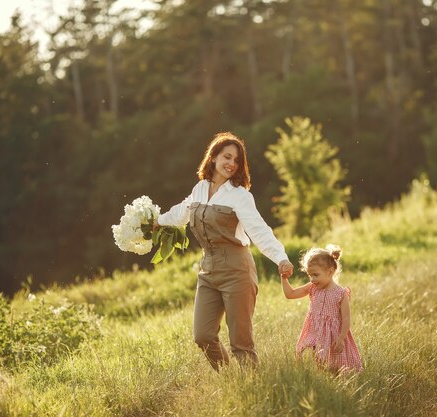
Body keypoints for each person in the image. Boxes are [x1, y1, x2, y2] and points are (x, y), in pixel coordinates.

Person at [155, 132, 294, 370]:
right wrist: (156, 220)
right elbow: (181, 213)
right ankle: (229, 380)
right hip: (208, 270)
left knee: (241, 343)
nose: (231, 163)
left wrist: (281, 257)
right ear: (213, 157)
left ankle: (253, 388)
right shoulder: (200, 188)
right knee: (203, 335)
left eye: (236, 160)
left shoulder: (240, 195)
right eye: (227, 157)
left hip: (237, 270)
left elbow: (259, 230)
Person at [281, 244, 363, 373]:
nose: (312, 279)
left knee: (334, 364)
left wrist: (341, 338)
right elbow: (290, 294)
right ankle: (313, 375)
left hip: (333, 334)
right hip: (314, 329)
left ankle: (335, 378)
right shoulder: (312, 287)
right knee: (310, 353)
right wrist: (284, 279)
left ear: (330, 271)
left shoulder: (341, 293)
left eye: (315, 275)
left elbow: (346, 318)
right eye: (310, 275)